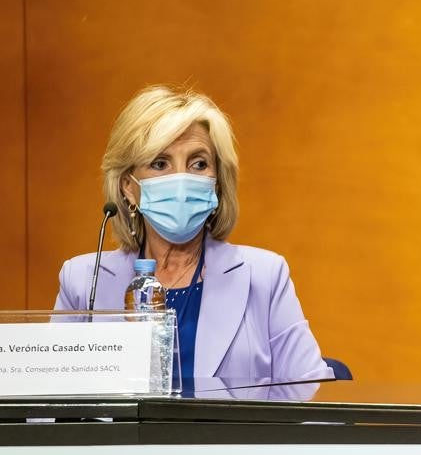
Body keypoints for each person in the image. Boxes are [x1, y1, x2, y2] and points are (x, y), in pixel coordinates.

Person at [55, 85, 334, 383]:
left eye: (198, 164)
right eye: (160, 164)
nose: (181, 179)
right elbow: (45, 408)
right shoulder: (84, 281)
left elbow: (312, 396)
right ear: (128, 188)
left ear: (217, 183)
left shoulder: (265, 277)